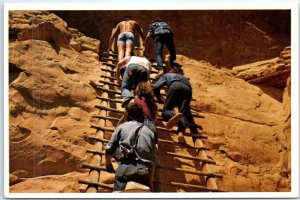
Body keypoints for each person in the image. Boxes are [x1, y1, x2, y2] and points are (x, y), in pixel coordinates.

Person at [105, 103, 157, 192]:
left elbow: (109, 149)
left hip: (125, 167)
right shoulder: (150, 132)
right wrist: (150, 181)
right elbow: (153, 160)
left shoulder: (122, 127)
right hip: (143, 171)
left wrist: (108, 164)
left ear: (127, 115)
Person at [153, 62, 198, 141]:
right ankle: (181, 133)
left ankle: (174, 114)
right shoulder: (184, 78)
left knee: (166, 111)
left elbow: (156, 87)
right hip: (188, 90)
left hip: (175, 86)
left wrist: (159, 98)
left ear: (171, 70)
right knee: (183, 112)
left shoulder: (167, 75)